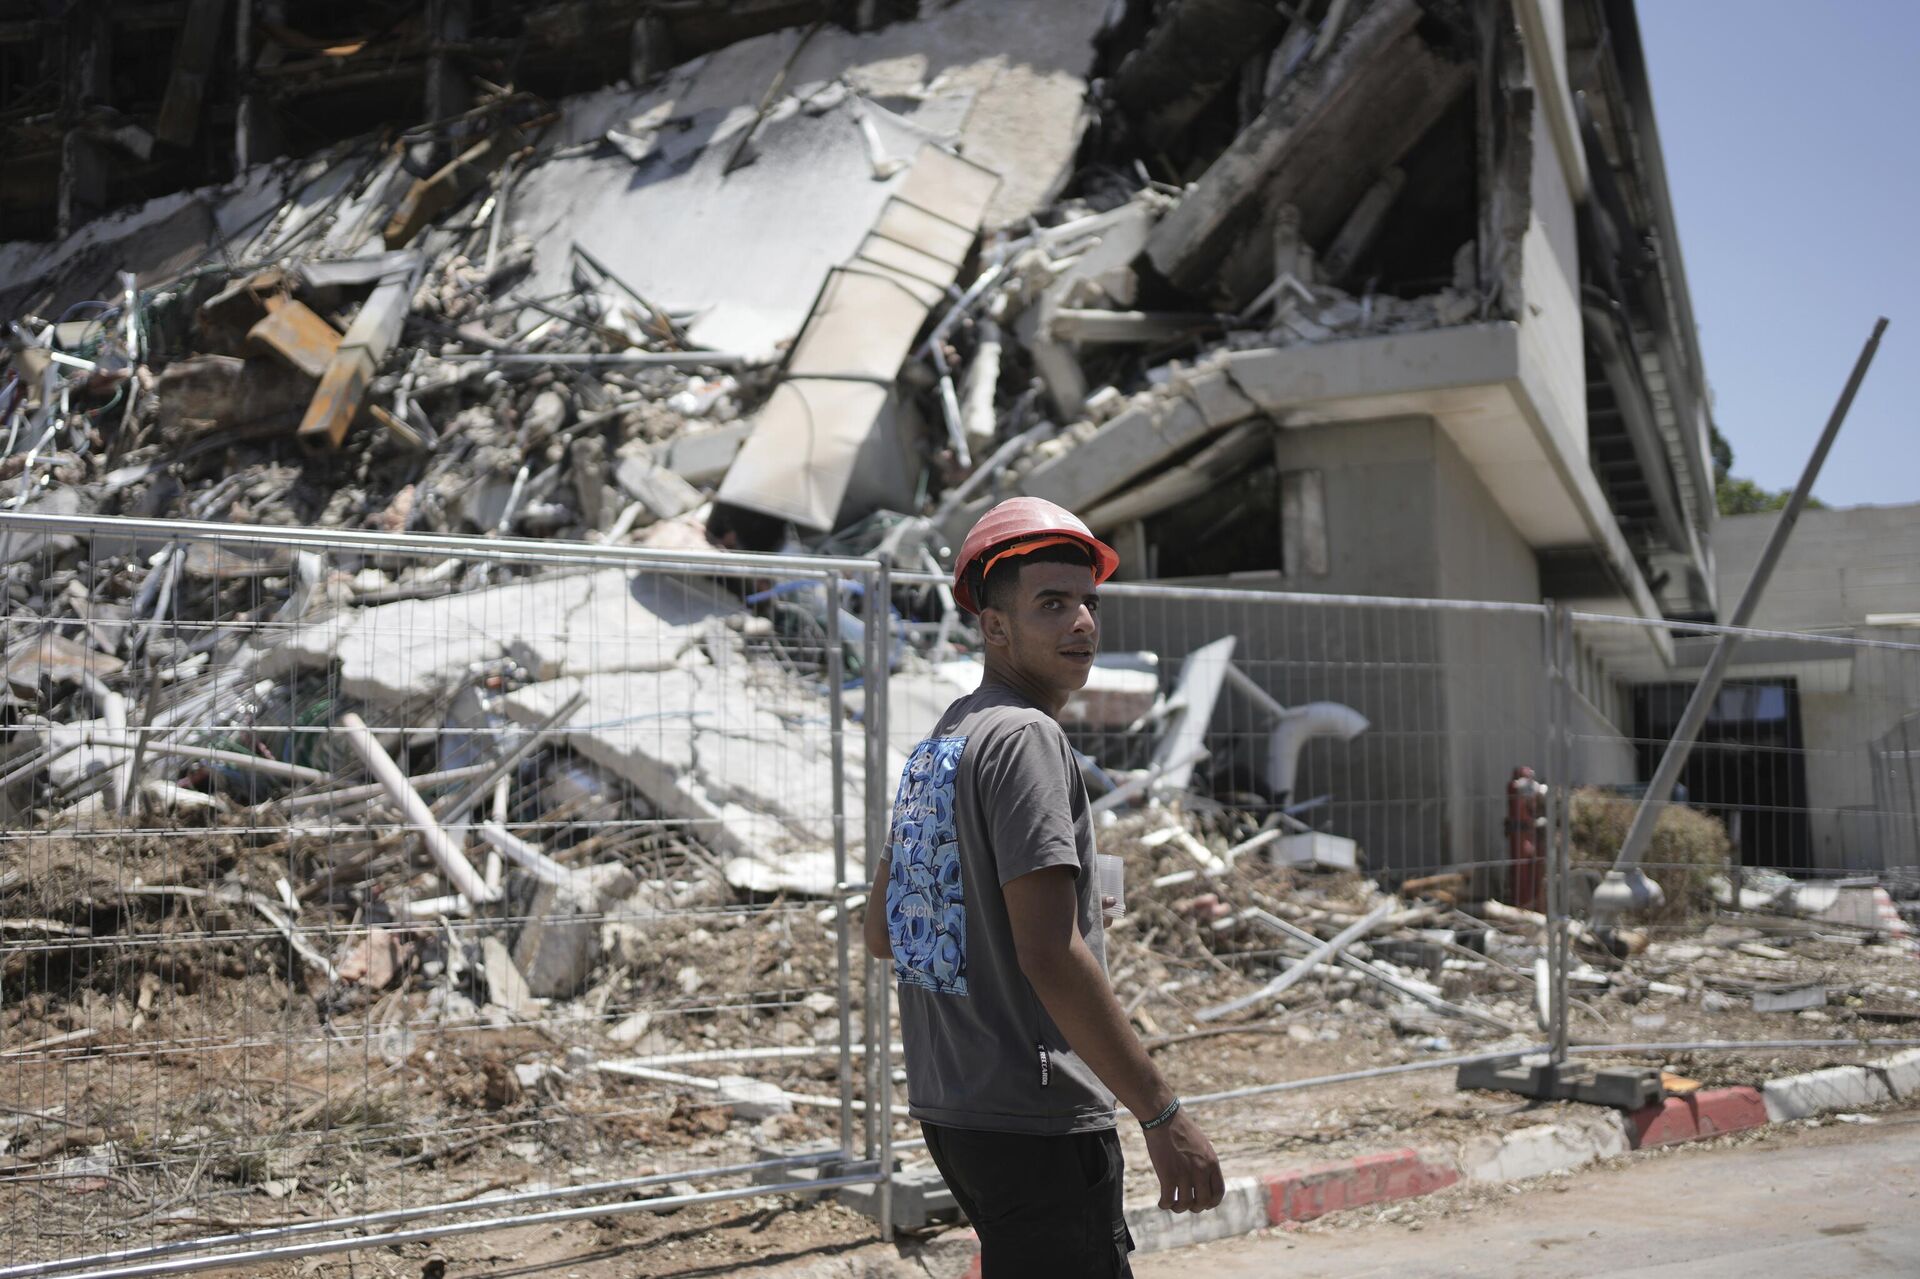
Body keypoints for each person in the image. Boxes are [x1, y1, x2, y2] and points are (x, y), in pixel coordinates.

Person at [863, 497, 1224, 1278]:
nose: (1083, 622)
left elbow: (885, 930)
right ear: (994, 626)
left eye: (1089, 601)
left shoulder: (947, 737)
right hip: (1038, 1118)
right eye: (1052, 604)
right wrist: (1162, 1112)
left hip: (956, 1110)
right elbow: (1049, 955)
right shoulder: (1027, 736)